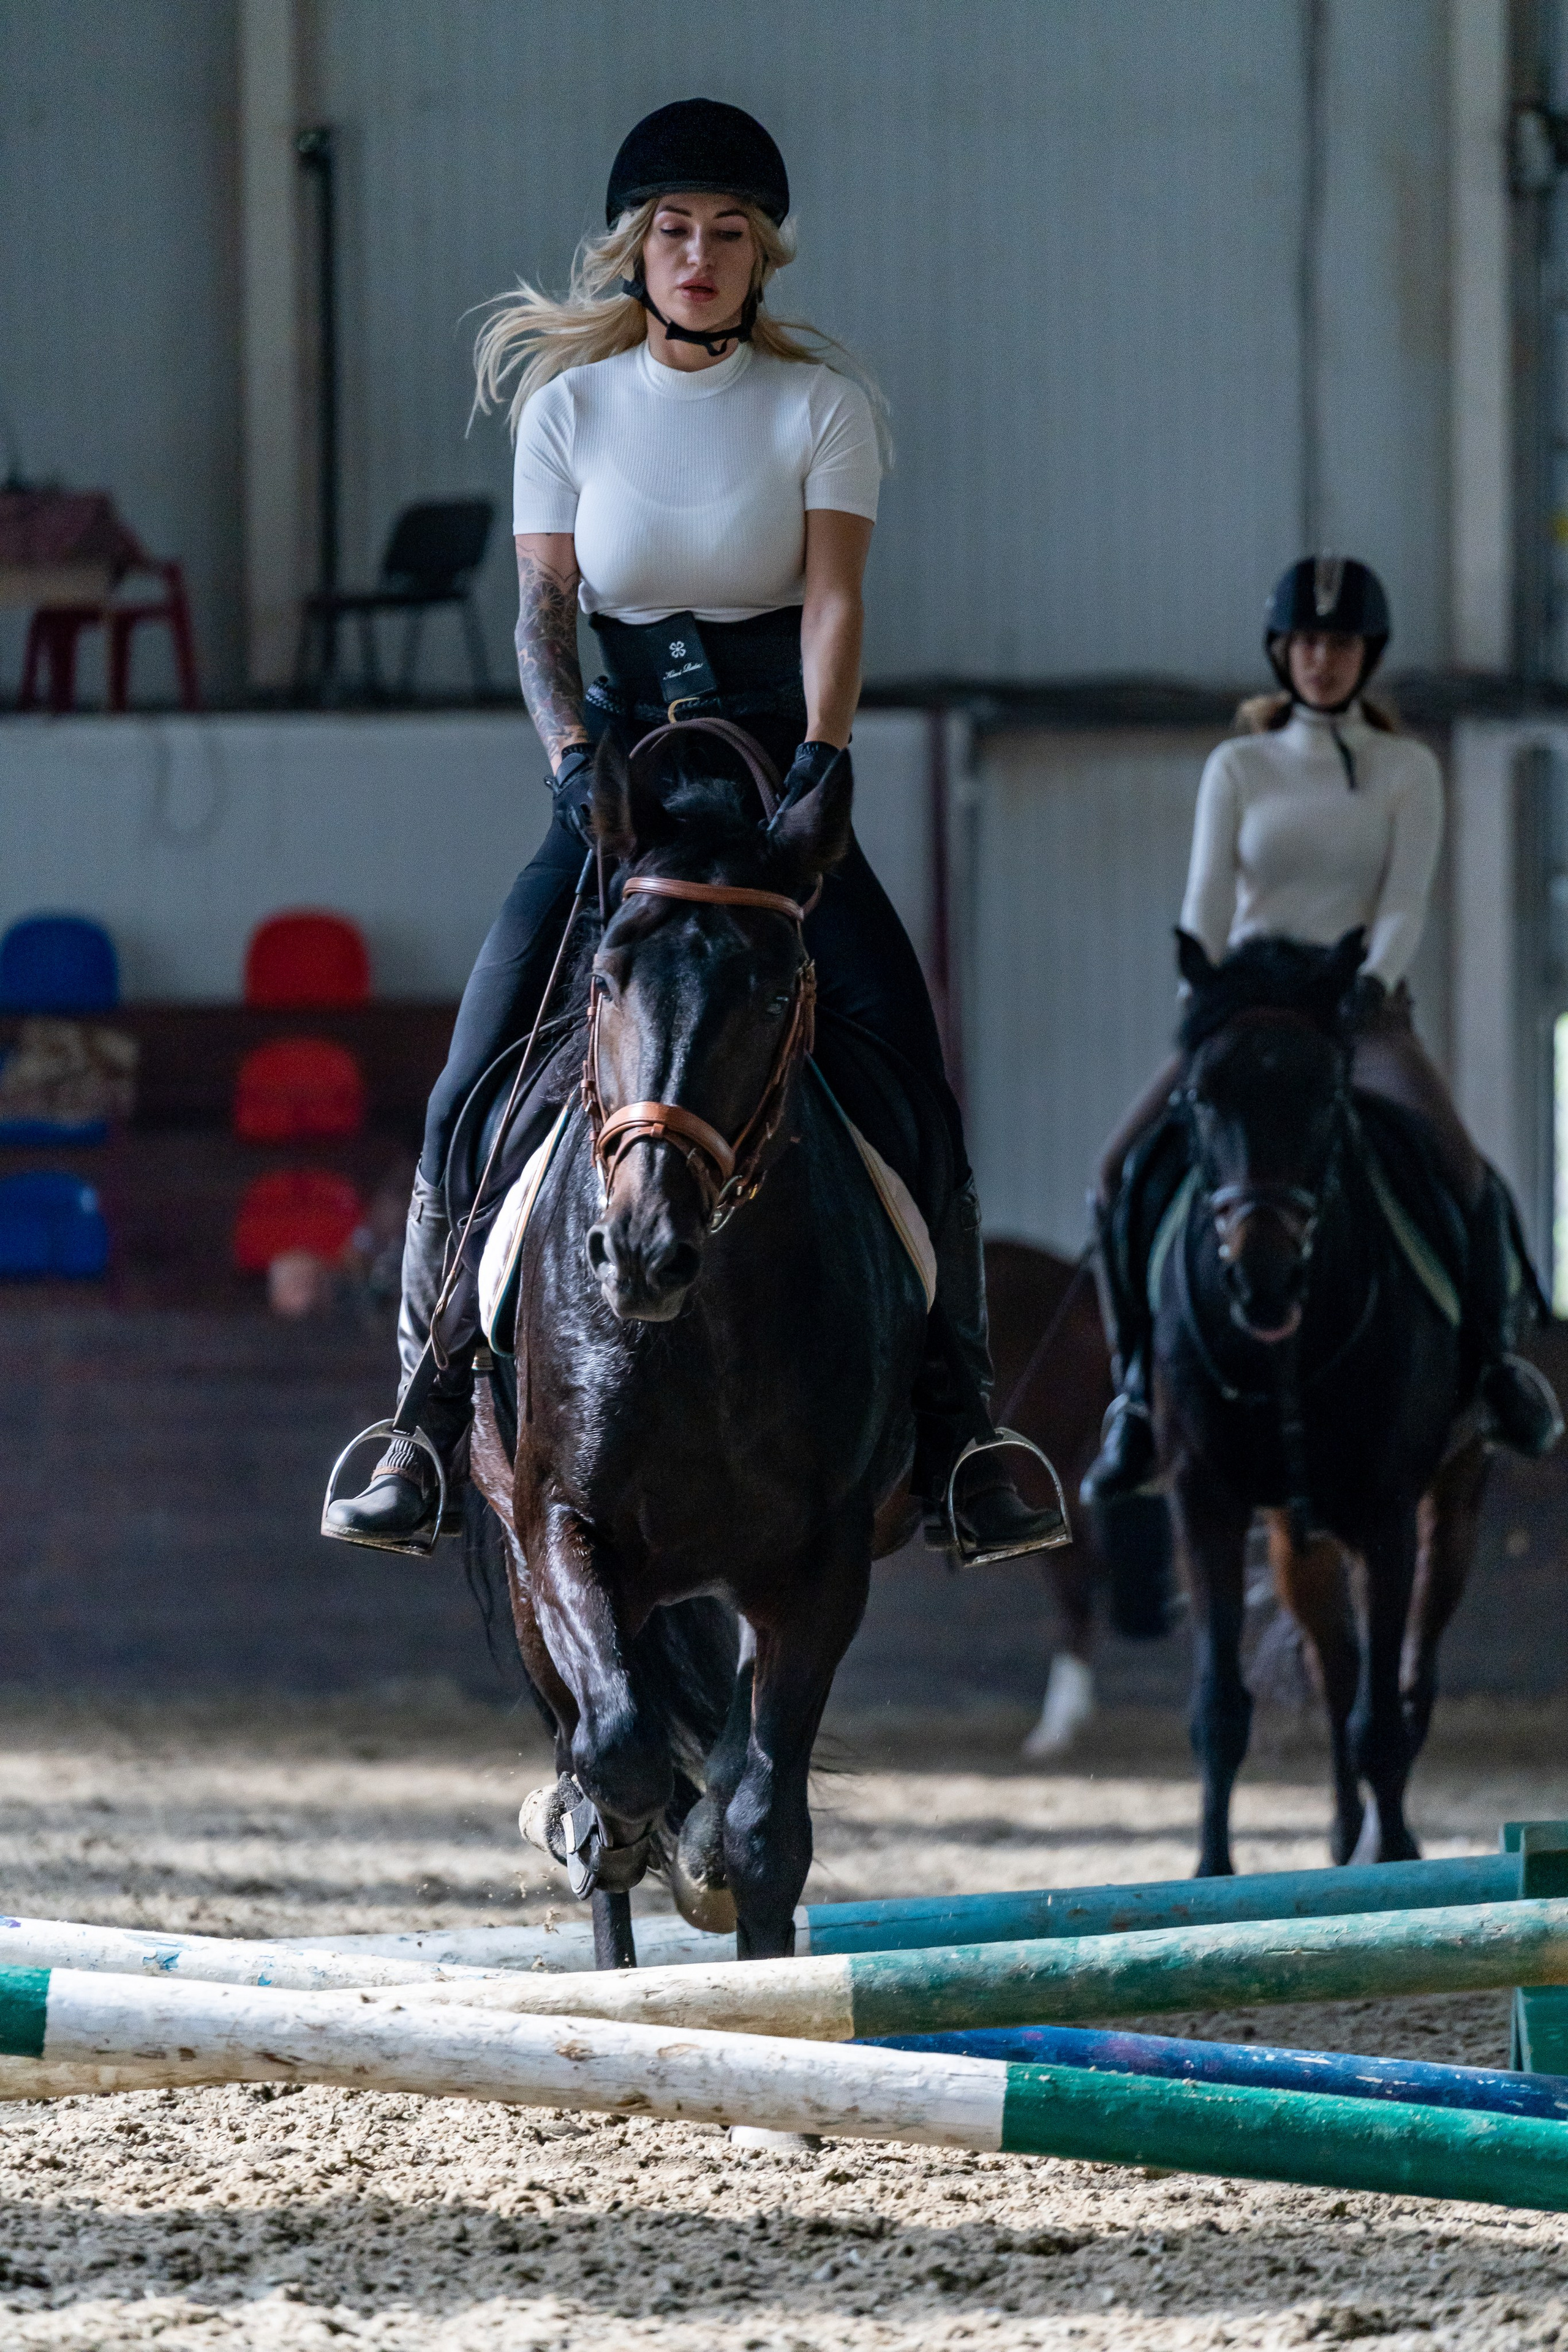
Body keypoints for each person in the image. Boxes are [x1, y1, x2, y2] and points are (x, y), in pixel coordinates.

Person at [325, 98, 1065, 1564]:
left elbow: (835, 603)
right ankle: (419, 1416)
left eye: (730, 234)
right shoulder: (567, 412)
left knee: (911, 1082)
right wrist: (566, 760)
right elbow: (542, 612)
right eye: (676, 231)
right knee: (470, 1076)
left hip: (778, 781)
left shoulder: (822, 404)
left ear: (759, 259)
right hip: (616, 781)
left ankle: (967, 1428)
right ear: (635, 251)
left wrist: (828, 762)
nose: (701, 255)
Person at [1081, 553, 1563, 1503]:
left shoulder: (1405, 769)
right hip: (1248, 1006)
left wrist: (1370, 984)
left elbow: (1404, 902)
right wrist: (1201, 990)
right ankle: (1139, 1398)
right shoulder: (1240, 766)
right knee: (1114, 1173)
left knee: (1466, 1177)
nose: (1321, 659)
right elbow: (1207, 895)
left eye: (1339, 643)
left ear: (1364, 655)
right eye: (1306, 642)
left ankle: (1494, 1374)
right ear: (1282, 652)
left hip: (1360, 1013)